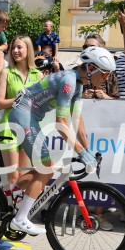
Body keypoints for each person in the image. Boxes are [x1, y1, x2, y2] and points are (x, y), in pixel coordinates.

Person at [7, 46, 117, 235]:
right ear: (91, 69)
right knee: (47, 166)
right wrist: (80, 152)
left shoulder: (78, 84)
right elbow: (61, 123)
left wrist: (88, 150)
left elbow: (77, 120)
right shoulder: (69, 82)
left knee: (43, 169)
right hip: (23, 114)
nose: (106, 79)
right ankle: (20, 218)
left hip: (29, 115)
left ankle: (12, 192)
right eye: (105, 74)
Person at [0, 35, 43, 193]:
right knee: (13, 178)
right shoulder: (6, 73)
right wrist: (19, 100)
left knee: (24, 176)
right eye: (13, 47)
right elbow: (0, 103)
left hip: (29, 126)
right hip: (9, 127)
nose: (15, 51)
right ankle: (10, 212)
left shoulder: (38, 75)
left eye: (19, 47)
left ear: (28, 50)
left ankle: (16, 212)